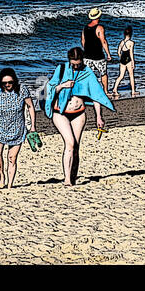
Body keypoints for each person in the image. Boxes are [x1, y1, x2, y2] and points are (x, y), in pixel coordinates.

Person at [44, 47, 113, 186]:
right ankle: (67, 179)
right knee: (69, 143)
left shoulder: (87, 72)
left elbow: (96, 95)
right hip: (60, 112)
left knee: (76, 146)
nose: (76, 66)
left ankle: (73, 177)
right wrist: (63, 85)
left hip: (79, 113)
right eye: (73, 64)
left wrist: (98, 117)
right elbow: (50, 88)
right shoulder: (61, 69)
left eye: (78, 64)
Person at [82, 8, 111, 96]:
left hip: (87, 55)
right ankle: (105, 91)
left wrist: (86, 49)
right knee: (103, 73)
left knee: (88, 75)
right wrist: (108, 54)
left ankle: (88, 92)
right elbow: (104, 41)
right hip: (98, 56)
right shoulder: (99, 28)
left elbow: (83, 41)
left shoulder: (85, 28)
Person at [112, 26, 136, 99]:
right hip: (128, 59)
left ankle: (115, 88)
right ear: (131, 34)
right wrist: (133, 62)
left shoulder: (122, 42)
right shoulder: (131, 43)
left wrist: (120, 57)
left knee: (121, 76)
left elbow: (118, 51)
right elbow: (131, 53)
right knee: (131, 75)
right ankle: (133, 91)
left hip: (122, 60)